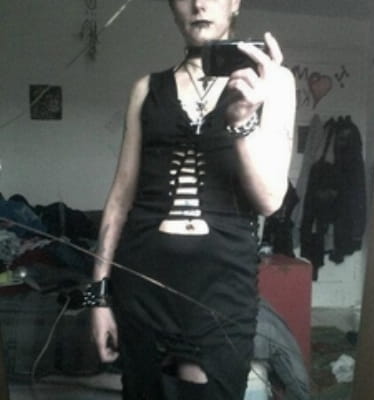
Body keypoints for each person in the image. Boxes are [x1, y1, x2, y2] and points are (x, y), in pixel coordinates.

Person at [91, 0, 296, 399]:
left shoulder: (273, 80)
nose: (199, 4)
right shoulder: (145, 89)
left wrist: (242, 120)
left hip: (222, 291)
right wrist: (95, 300)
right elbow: (119, 198)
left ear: (234, 2)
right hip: (140, 286)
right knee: (143, 392)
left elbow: (270, 200)